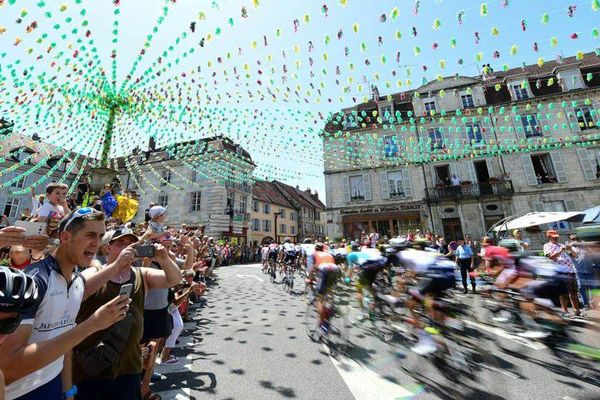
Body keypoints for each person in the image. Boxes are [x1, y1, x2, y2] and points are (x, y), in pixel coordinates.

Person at [1, 208, 133, 400]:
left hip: (53, 385)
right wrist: (92, 325)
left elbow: (65, 344)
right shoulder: (36, 280)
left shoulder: (77, 282)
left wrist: (68, 390)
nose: (96, 244)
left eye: (100, 236)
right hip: (21, 393)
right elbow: (8, 368)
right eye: (90, 235)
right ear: (65, 237)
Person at [72, 227, 183, 400]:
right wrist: (116, 266)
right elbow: (78, 293)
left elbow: (175, 279)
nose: (127, 247)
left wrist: (165, 259)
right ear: (108, 248)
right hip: (93, 367)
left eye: (131, 244)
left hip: (129, 367)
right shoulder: (95, 271)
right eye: (120, 244)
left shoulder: (141, 274)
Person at [543, 230, 581, 317]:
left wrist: (570, 249)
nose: (556, 238)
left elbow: (575, 256)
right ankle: (565, 311)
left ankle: (577, 311)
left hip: (570, 270)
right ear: (549, 237)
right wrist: (560, 250)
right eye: (554, 237)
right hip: (560, 272)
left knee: (574, 292)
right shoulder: (547, 246)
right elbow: (551, 257)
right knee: (563, 293)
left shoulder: (561, 245)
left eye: (556, 237)